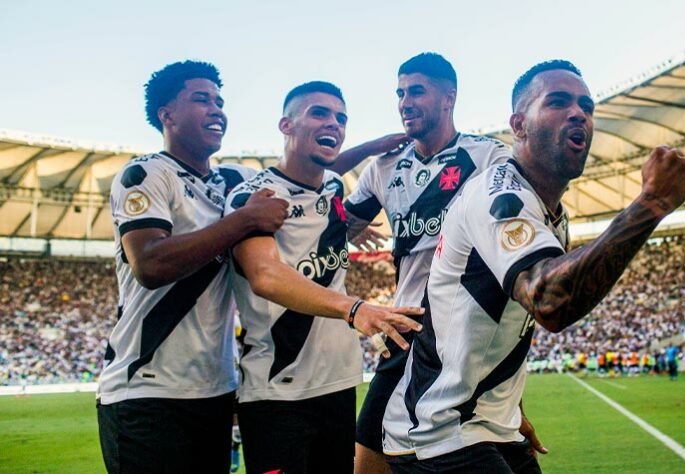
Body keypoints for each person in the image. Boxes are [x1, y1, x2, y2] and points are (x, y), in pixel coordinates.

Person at [382, 59, 685, 473]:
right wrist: (651, 204)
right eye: (558, 102)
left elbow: (511, 324)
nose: (578, 113)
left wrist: (513, 408)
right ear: (519, 125)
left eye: (587, 105)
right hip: (439, 430)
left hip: (493, 425)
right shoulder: (500, 196)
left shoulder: (551, 215)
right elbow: (550, 302)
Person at [339, 52, 544, 474]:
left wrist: (514, 402)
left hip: (465, 328)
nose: (404, 102)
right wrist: (365, 152)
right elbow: (328, 223)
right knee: (368, 452)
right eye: (399, 93)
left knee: (468, 444)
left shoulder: (488, 158)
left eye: (416, 91)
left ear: (448, 97)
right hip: (406, 329)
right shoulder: (384, 167)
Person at [97, 60, 288, 474]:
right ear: (167, 115)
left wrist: (379, 151)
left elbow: (304, 176)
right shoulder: (146, 173)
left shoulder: (234, 179)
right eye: (202, 99)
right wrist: (243, 220)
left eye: (220, 101)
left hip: (214, 392)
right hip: (146, 392)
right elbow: (150, 263)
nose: (217, 109)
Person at [224, 81, 423, 474]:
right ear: (286, 125)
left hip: (337, 382)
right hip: (276, 391)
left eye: (341, 118)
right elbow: (265, 275)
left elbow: (329, 172)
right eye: (319, 113)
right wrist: (355, 309)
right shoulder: (253, 198)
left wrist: (346, 222)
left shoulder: (333, 190)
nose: (333, 122)